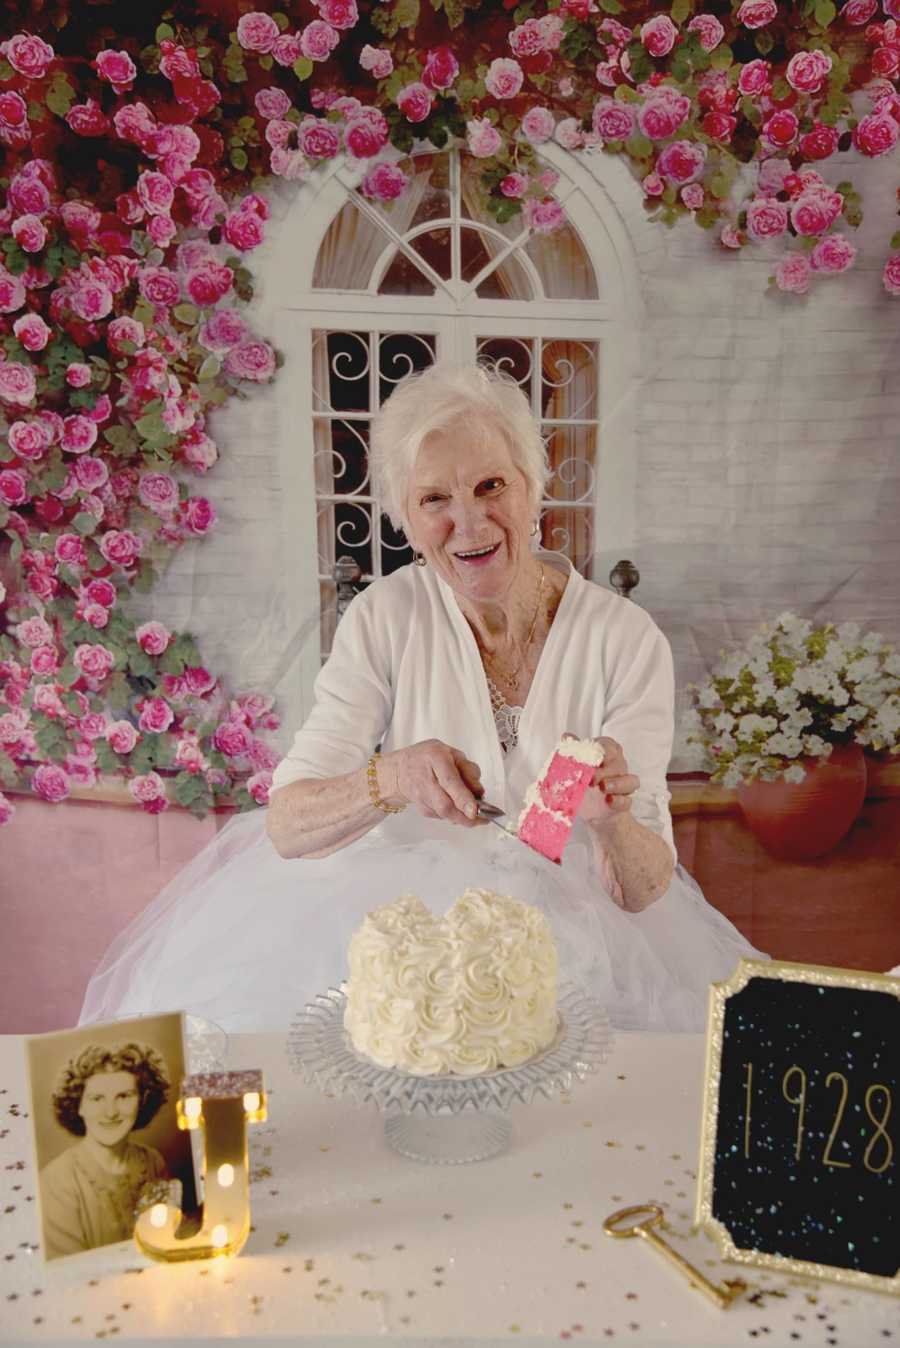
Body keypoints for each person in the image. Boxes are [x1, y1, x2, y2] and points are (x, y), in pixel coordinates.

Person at [80, 362, 763, 1034]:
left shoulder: (624, 637)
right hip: (407, 944)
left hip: (585, 948)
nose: (469, 523)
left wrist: (612, 820)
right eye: (435, 498)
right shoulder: (385, 617)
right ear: (404, 518)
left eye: (492, 485)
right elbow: (288, 827)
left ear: (534, 489)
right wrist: (392, 776)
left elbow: (646, 892)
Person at [39, 1042, 169, 1259]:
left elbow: (166, 1243)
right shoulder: (56, 1181)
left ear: (142, 1100)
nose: (110, 1112)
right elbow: (71, 1273)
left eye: (124, 1096)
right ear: (78, 1105)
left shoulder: (153, 1162)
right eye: (97, 1098)